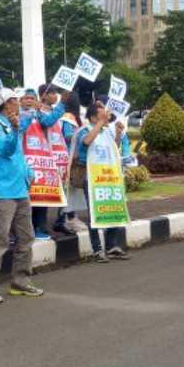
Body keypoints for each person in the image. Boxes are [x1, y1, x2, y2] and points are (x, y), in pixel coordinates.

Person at [0, 88, 57, 304]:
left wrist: (28, 174)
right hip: (2, 192)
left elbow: (18, 156)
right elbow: (7, 150)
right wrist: (13, 129)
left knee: (26, 238)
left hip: (19, 190)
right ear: (6, 104)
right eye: (14, 100)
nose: (19, 103)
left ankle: (20, 282)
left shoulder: (14, 124)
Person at [75, 102, 131, 263]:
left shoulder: (107, 131)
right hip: (93, 178)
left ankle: (111, 246)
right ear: (93, 117)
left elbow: (114, 148)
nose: (107, 117)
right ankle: (97, 249)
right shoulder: (84, 131)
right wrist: (100, 124)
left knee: (114, 208)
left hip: (109, 177)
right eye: (102, 115)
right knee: (95, 212)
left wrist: (119, 134)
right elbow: (86, 142)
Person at [19, 87, 67, 241]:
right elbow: (21, 128)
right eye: (26, 98)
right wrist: (31, 113)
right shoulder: (18, 115)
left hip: (42, 162)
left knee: (42, 195)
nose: (29, 101)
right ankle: (27, 229)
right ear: (21, 101)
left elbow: (49, 121)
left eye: (32, 99)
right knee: (27, 198)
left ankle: (40, 226)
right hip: (26, 161)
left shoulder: (40, 115)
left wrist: (61, 105)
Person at [54, 90, 87, 235]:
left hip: (69, 157)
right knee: (67, 191)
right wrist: (80, 135)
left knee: (70, 191)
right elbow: (66, 135)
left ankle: (69, 217)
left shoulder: (71, 117)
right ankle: (63, 219)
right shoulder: (68, 118)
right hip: (67, 158)